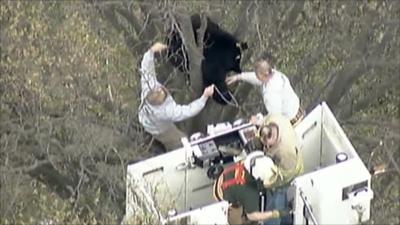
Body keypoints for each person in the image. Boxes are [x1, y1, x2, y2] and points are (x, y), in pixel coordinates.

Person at [138, 42, 215, 151]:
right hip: (158, 129)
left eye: (160, 90)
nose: (162, 91)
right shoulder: (166, 111)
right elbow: (188, 111)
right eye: (162, 95)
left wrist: (151, 51)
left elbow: (146, 67)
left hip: (146, 118)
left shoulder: (148, 85)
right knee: (181, 140)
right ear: (160, 103)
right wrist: (205, 97)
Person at [226, 52, 304, 126]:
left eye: (257, 73)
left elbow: (275, 119)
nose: (256, 75)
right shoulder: (275, 74)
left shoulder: (270, 93)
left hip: (292, 123)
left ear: (264, 74)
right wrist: (239, 77)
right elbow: (257, 78)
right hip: (299, 112)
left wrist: (259, 120)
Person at [213, 151, 290, 225]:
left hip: (225, 178)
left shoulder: (250, 161)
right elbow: (252, 216)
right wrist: (274, 214)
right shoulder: (249, 193)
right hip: (222, 193)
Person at [251, 113, 304, 188]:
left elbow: (284, 175)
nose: (267, 147)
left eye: (268, 145)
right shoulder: (273, 117)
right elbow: (263, 121)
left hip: (292, 168)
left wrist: (267, 183)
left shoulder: (285, 151)